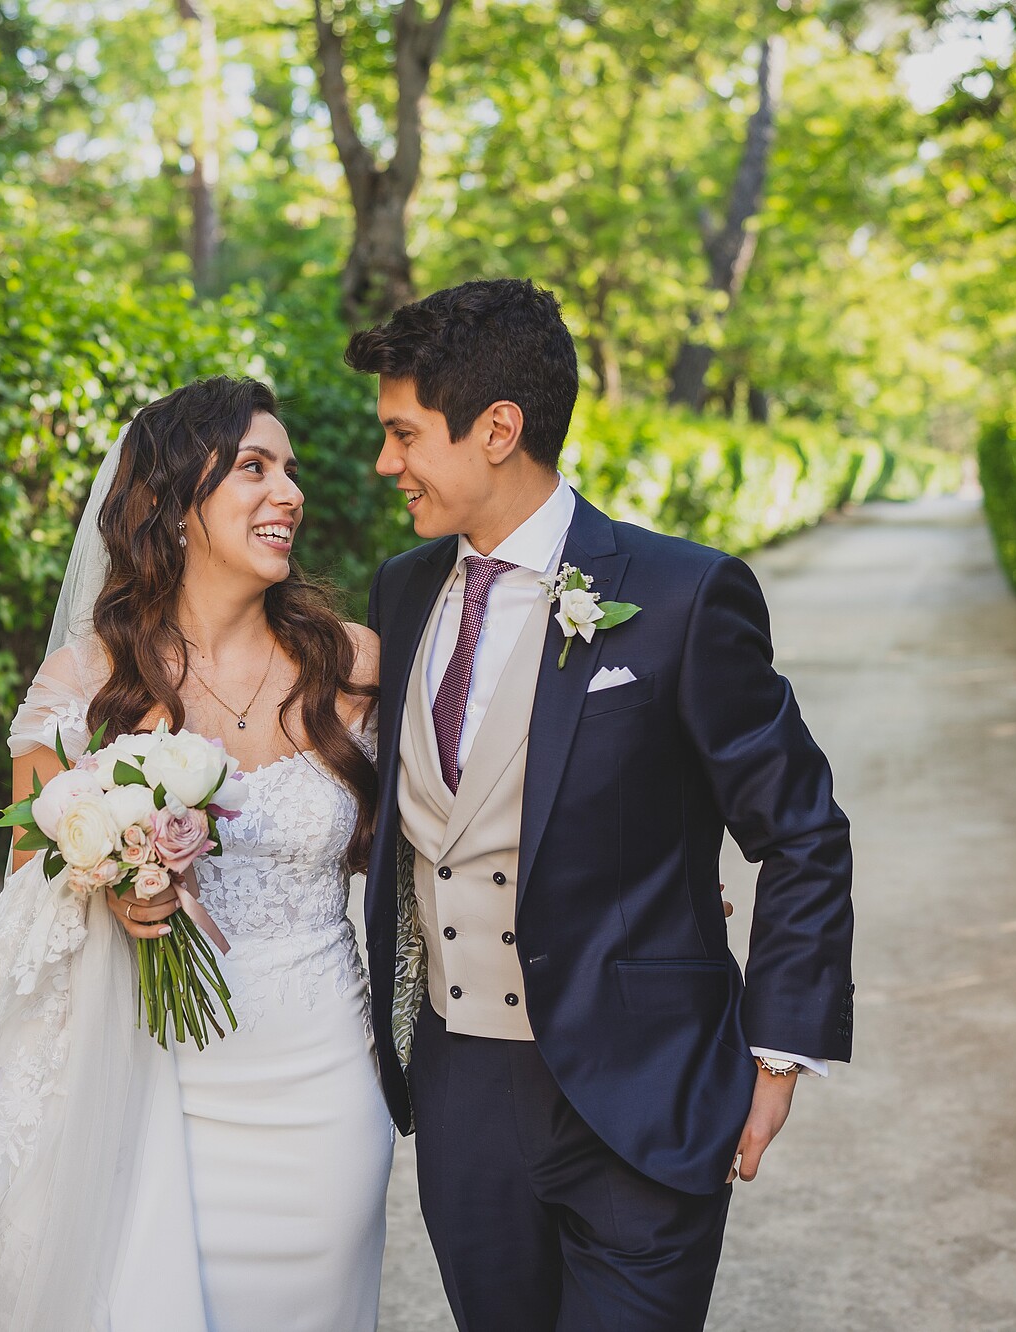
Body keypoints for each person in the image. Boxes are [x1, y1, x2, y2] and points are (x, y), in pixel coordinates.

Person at [349, 278, 855, 1332]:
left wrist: (778, 1048)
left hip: (642, 1088)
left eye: (403, 435)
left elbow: (800, 830)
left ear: (497, 429)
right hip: (459, 1094)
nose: (385, 463)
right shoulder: (399, 592)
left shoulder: (680, 595)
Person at [0, 377, 393, 1332]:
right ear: (174, 506)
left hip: (323, 1079)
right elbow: (27, 914)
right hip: (153, 1078)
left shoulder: (355, 663)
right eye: (254, 467)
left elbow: (440, 850)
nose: (290, 492)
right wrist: (110, 887)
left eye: (290, 470)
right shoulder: (85, 684)